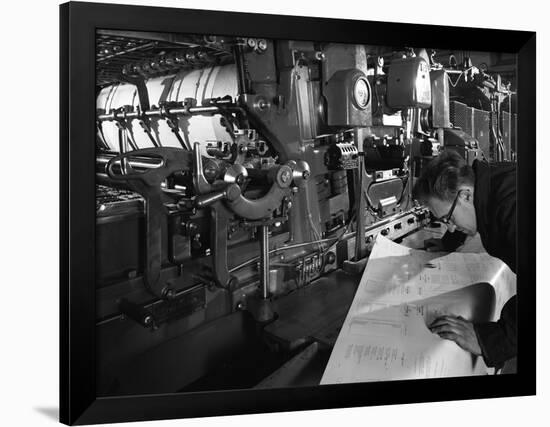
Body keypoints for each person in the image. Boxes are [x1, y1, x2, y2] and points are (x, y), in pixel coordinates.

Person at [412, 150, 517, 372]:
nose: (448, 226)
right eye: (442, 221)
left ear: (466, 195)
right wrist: (449, 242)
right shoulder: (487, 185)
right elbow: (471, 212)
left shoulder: (512, 207)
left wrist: (489, 339)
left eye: (448, 219)